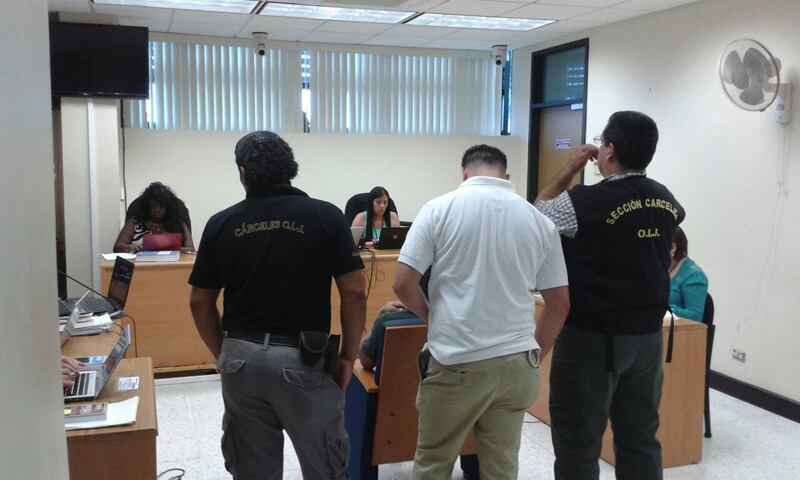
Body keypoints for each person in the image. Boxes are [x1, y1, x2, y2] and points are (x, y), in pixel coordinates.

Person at [188, 131, 366, 480]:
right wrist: (348, 356)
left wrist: (225, 354)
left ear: (243, 173)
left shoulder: (221, 223)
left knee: (253, 471)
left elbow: (199, 302)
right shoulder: (326, 216)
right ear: (290, 168)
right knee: (325, 466)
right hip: (304, 359)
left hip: (241, 358)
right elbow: (355, 292)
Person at [393, 144, 571, 480]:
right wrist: (534, 355)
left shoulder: (438, 208)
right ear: (506, 176)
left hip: (457, 358)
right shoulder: (538, 221)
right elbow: (560, 303)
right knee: (502, 467)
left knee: (433, 463)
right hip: (516, 364)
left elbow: (403, 283)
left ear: (464, 173)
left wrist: (432, 318)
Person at [534, 111, 685, 480]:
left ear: (610, 150)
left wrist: (571, 167)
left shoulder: (585, 202)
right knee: (640, 439)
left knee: (577, 442)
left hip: (591, 339)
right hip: (648, 339)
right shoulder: (666, 199)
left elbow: (537, 213)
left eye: (602, 144)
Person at [114, 182, 195, 253]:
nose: (157, 209)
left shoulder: (178, 223)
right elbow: (117, 247)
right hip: (141, 264)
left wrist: (172, 250)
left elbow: (191, 250)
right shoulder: (135, 222)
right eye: (153, 206)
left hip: (173, 264)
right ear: (147, 207)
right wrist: (131, 248)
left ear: (168, 207)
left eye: (161, 206)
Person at [669, 226, 708, 321]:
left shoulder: (694, 276)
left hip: (677, 329)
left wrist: (665, 310)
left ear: (673, 247)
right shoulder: (656, 269)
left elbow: (695, 316)